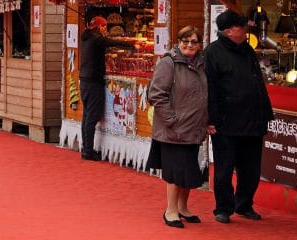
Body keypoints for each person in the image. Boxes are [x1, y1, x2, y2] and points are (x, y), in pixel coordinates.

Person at [204, 9, 274, 224]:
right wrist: (211, 119)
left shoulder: (247, 50)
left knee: (251, 169)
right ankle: (223, 208)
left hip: (253, 119)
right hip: (226, 121)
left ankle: (244, 204)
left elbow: (257, 83)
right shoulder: (212, 53)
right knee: (224, 168)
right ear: (230, 30)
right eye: (242, 27)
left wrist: (265, 114)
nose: (246, 30)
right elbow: (210, 88)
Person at [146, 26, 211, 228]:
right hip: (173, 130)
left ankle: (183, 207)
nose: (189, 45)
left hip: (193, 128)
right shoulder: (168, 63)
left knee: (188, 172)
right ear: (178, 41)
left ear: (200, 45)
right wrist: (173, 119)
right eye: (185, 40)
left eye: (194, 41)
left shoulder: (201, 64)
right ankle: (170, 210)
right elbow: (156, 94)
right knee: (175, 173)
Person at [78, 16, 135, 161]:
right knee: (91, 117)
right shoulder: (96, 39)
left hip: (85, 80)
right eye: (103, 27)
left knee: (87, 116)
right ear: (97, 26)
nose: (105, 29)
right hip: (93, 82)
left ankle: (86, 148)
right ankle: (88, 152)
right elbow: (111, 42)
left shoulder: (86, 38)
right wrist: (130, 45)